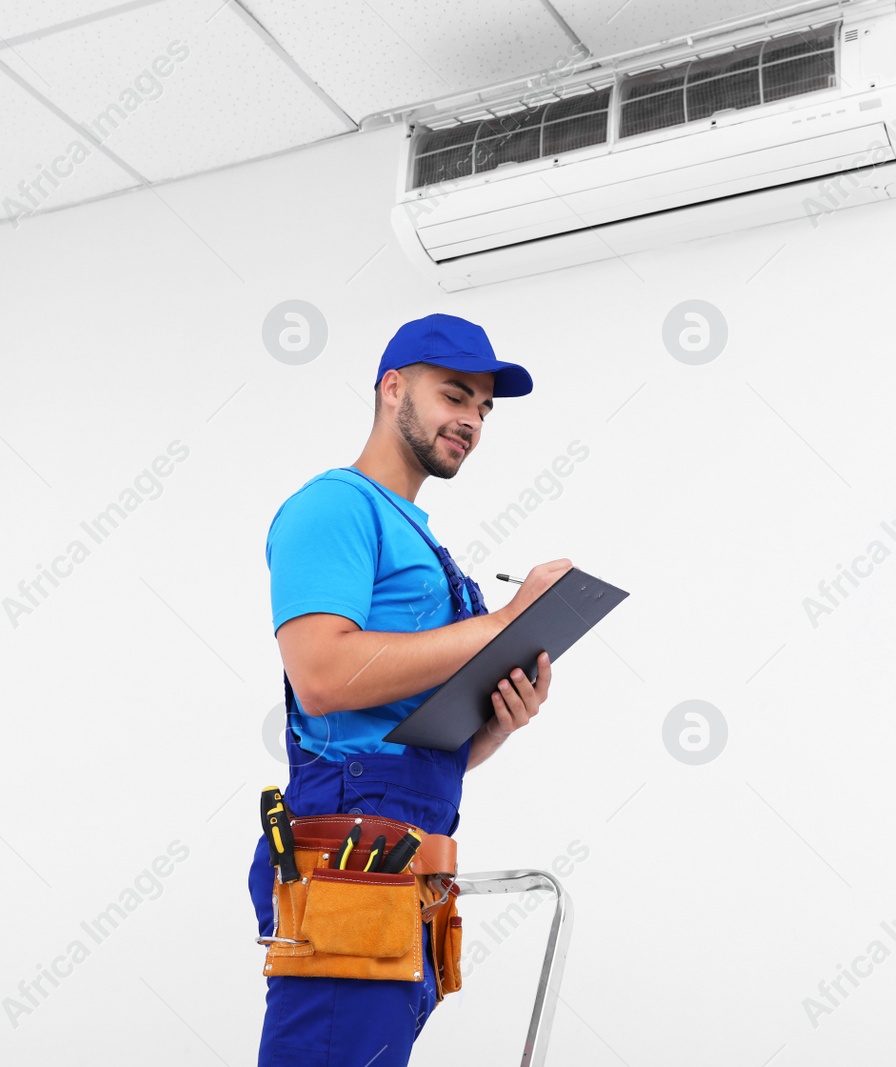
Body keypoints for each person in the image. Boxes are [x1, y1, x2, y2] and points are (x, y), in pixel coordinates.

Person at [247, 312, 574, 1066]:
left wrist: (489, 729)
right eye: (455, 395)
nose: (472, 421)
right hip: (348, 865)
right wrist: (507, 622)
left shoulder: (428, 545)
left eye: (484, 408)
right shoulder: (335, 507)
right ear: (393, 387)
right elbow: (323, 675)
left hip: (410, 874)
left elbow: (395, 733)